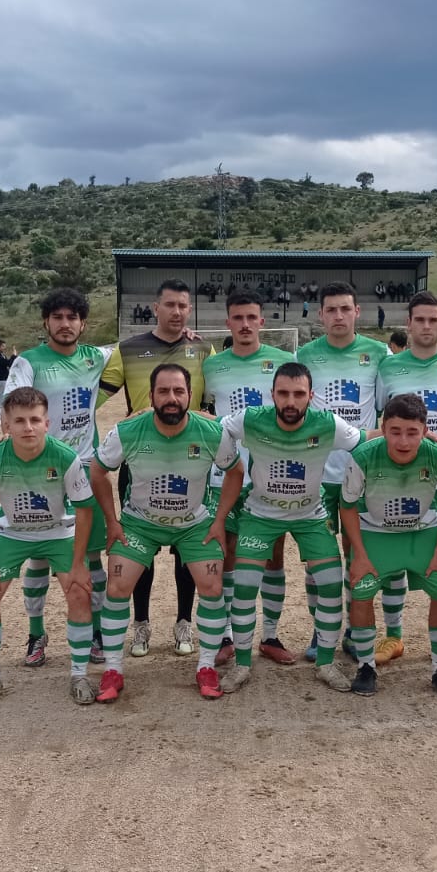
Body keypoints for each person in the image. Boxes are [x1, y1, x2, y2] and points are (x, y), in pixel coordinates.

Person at [210, 362, 361, 693]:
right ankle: (243, 664)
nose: (290, 402)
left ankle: (325, 662)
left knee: (332, 584)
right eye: (283, 394)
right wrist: (229, 462)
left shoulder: (329, 424)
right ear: (272, 395)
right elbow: (218, 428)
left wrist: (425, 437)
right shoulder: (251, 419)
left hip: (310, 515)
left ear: (311, 396)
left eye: (298, 394)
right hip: (260, 513)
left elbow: (365, 443)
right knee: (246, 586)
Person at [90, 363, 229, 702]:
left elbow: (236, 470)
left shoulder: (212, 432)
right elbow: (97, 471)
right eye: (163, 391)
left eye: (178, 391)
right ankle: (112, 670)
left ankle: (206, 666)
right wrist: (112, 521)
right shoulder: (128, 431)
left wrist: (219, 519)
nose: (171, 398)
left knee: (211, 584)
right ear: (150, 395)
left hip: (193, 525)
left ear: (189, 395)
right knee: (118, 584)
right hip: (140, 524)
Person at [0, 386, 99, 709]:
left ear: (47, 423)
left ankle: (79, 675)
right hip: (12, 533)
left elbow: (85, 510)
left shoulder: (66, 457)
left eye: (35, 419)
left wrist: (79, 563)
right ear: (6, 425)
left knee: (79, 589)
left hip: (56, 531)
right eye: (19, 421)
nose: (28, 427)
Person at [99, 278, 211, 660]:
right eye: (170, 305)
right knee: (138, 547)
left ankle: (184, 621)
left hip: (190, 461)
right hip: (139, 461)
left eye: (183, 305)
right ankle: (141, 624)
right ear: (155, 307)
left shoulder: (201, 348)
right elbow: (92, 397)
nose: (177, 312)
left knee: (187, 547)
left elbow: (212, 406)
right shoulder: (127, 350)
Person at [5, 289, 114, 668]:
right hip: (42, 473)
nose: (65, 324)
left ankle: (97, 632)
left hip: (84, 469)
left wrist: (187, 339)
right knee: (38, 558)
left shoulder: (96, 357)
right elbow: (12, 409)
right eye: (58, 317)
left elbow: (137, 350)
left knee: (91, 557)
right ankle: (36, 633)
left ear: (83, 323)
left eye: (72, 317)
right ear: (46, 322)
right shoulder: (28, 362)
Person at [339, 393, 437, 698]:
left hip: (423, 533)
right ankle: (366, 666)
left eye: (412, 432)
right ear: (383, 428)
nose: (403, 441)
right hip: (376, 534)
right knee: (361, 592)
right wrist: (359, 555)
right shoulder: (364, 455)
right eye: (395, 432)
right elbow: (348, 506)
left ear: (425, 429)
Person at [201, 290, 298, 665]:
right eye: (237, 318)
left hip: (270, 475)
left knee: (273, 558)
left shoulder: (285, 361)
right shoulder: (212, 367)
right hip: (223, 474)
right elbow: (201, 410)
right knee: (224, 555)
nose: (244, 324)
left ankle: (271, 635)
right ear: (228, 322)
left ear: (262, 321)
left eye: (251, 317)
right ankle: (226, 635)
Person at [371, 291, 437, 661]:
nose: (426, 326)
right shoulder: (389, 366)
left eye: (434, 320)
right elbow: (381, 415)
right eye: (419, 320)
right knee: (393, 550)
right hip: (394, 471)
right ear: (408, 324)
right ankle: (393, 637)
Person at [296, 282, 388, 661]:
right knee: (318, 561)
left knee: (357, 555)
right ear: (320, 315)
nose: (338, 316)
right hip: (317, 474)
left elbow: (387, 412)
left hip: (360, 474)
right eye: (330, 309)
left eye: (344, 309)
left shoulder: (378, 353)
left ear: (357, 312)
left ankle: (355, 628)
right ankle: (321, 632)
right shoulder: (305, 354)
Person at [0, 340, 15, 420]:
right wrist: (13, 356)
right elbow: (7, 363)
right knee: (0, 398)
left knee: (6, 397)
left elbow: (9, 363)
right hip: (1, 379)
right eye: (3, 346)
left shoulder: (1, 355)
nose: (4, 348)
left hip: (5, 378)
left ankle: (4, 415)